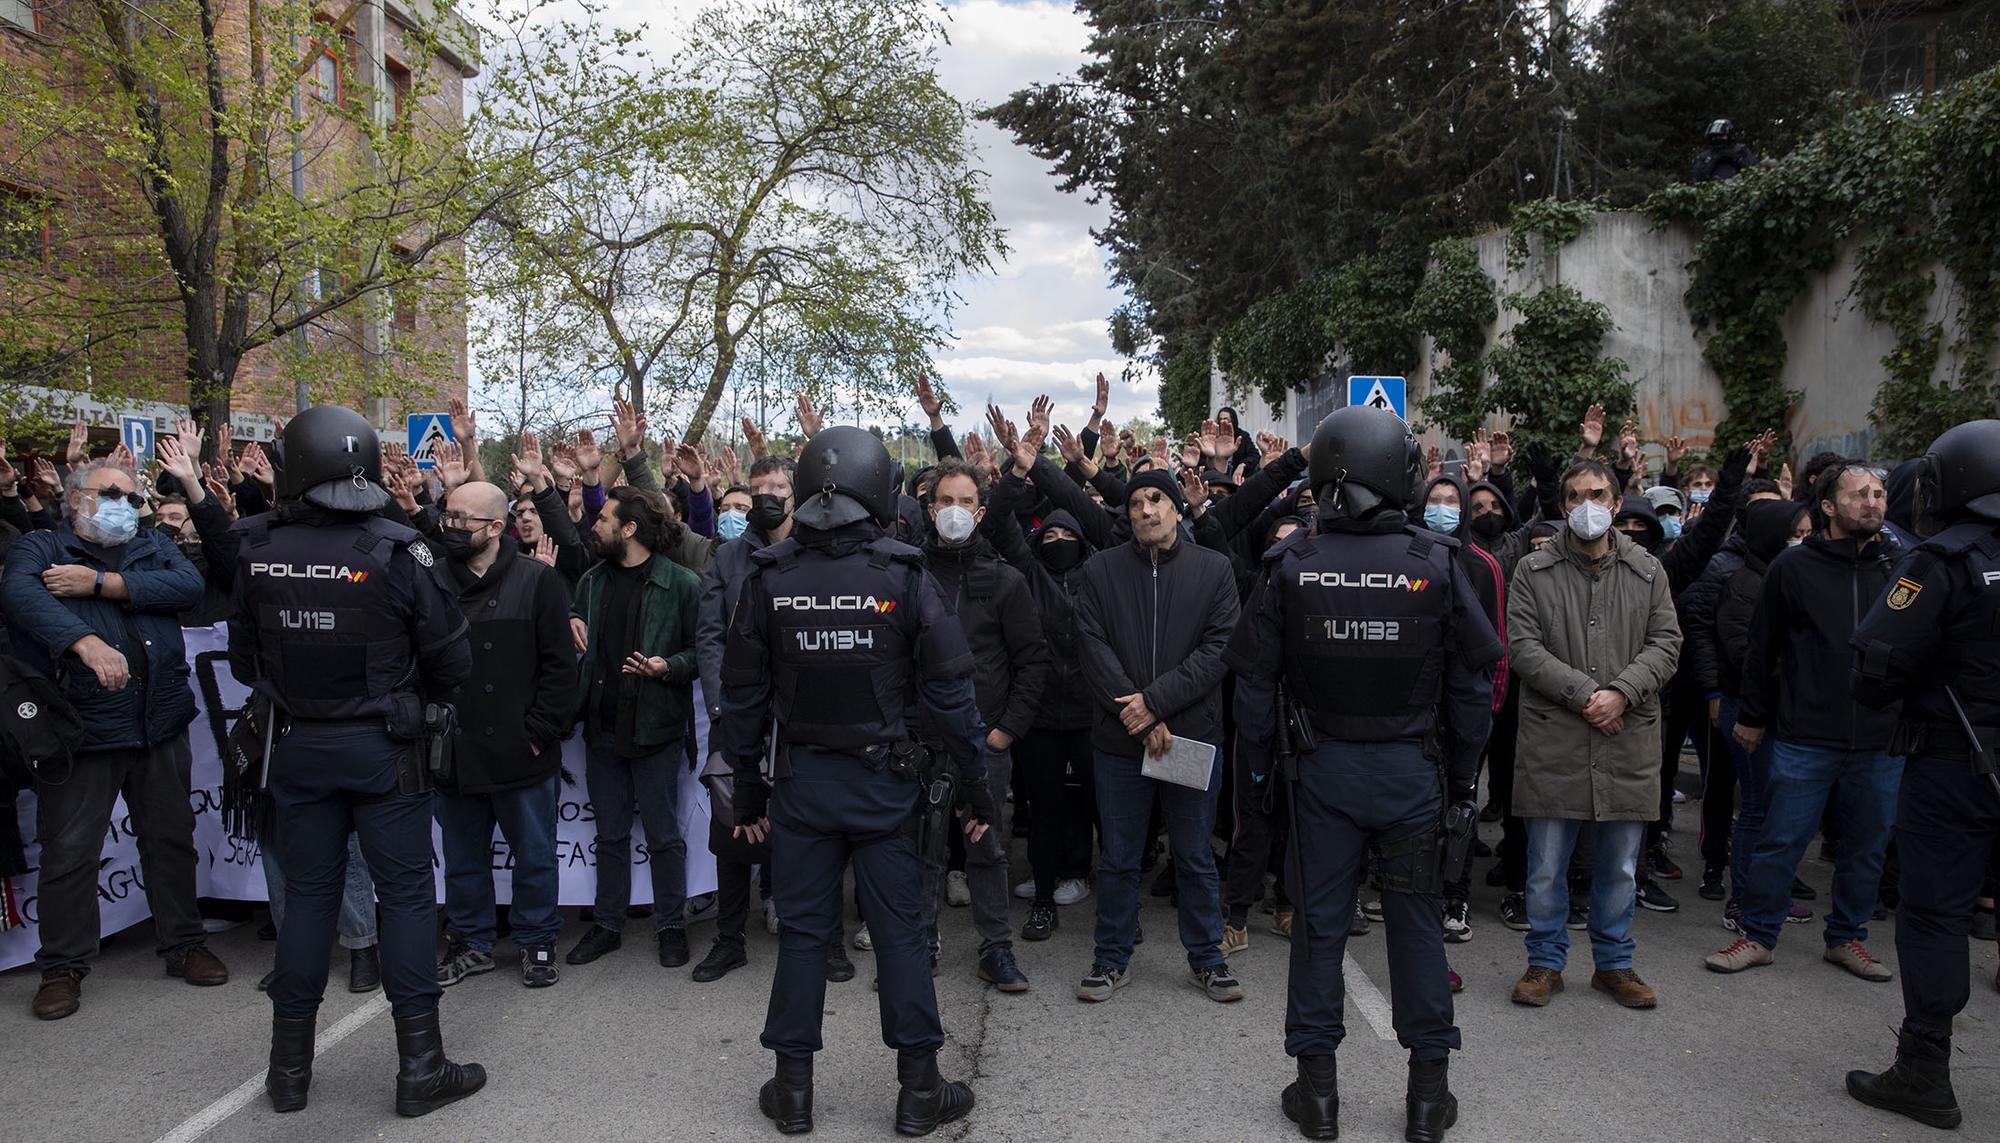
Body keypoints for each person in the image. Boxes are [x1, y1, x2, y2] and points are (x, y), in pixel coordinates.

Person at [1230, 407, 1500, 1142]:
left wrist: (1256, 779)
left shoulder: (1291, 564)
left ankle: (1318, 1096)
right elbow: (1475, 684)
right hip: (1413, 772)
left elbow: (1254, 686)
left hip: (1320, 773)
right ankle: (1426, 1100)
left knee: (1319, 929)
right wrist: (1463, 781)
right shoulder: (1438, 562)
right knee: (1415, 926)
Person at [719, 425, 990, 1137]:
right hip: (885, 788)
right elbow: (955, 695)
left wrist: (747, 787)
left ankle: (794, 1092)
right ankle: (919, 1092)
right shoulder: (902, 574)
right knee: (901, 935)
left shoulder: (769, 577)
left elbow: (742, 697)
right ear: (882, 491)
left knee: (804, 935)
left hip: (804, 787)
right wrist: (979, 785)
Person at [226, 405, 481, 1117]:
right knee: (403, 898)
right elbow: (453, 658)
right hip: (384, 750)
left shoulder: (254, 547)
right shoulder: (399, 550)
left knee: (307, 900)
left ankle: (288, 1074)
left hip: (298, 749)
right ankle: (420, 1068)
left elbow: (246, 658)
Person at [2, 456, 220, 1021]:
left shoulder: (150, 546)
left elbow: (187, 585)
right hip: (84, 729)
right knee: (71, 852)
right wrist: (83, 641)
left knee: (171, 838)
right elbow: (21, 598)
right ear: (76, 499)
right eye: (112, 493)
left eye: (132, 496)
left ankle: (184, 943)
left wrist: (102, 583)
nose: (127, 504)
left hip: (159, 722)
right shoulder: (42, 549)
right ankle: (62, 966)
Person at [1844, 420, 2000, 1131]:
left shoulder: (1942, 559)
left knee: (1935, 911)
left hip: (1958, 762)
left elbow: (1875, 657)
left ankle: (1924, 1069)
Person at [1706, 464, 1902, 981]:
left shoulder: (1900, 569)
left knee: (1867, 844)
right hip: (1805, 735)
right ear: (1829, 507)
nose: (1872, 502)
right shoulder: (1793, 569)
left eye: (1879, 494)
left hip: (1879, 739)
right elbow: (1762, 647)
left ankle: (1847, 938)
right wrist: (1753, 715)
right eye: (1859, 494)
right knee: (1781, 840)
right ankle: (1759, 934)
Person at [1507, 459, 1682, 1011]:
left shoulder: (1649, 571)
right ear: (1563, 506)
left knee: (1621, 867)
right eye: (1578, 495)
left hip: (1625, 736)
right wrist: (1586, 694)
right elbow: (1523, 647)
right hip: (1555, 737)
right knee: (1545, 866)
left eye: (1599, 493)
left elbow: (1666, 643)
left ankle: (1614, 963)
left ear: (1616, 500)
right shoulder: (1533, 571)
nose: (1589, 504)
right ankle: (1545, 962)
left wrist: (1622, 693)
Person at [1072, 465, 1243, 1005]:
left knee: (1193, 855)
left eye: (1156, 500)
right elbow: (1092, 646)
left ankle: (1207, 959)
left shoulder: (1214, 570)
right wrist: (1140, 716)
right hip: (1120, 739)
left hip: (1188, 736)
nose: (1146, 511)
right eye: (1135, 505)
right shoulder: (1099, 571)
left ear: (1174, 507)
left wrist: (1155, 704)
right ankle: (1111, 958)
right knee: (1119, 857)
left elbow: (1218, 650)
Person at [429, 481, 577, 989]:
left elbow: (561, 670)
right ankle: (471, 942)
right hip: (454, 750)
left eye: (461, 520)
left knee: (534, 856)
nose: (449, 527)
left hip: (521, 751)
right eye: (446, 516)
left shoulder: (538, 581)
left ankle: (537, 940)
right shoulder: (430, 580)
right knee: (463, 859)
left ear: (495, 528)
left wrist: (537, 733)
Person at [917, 457, 1048, 992]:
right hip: (922, 743)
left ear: (981, 511)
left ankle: (995, 949)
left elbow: (1033, 662)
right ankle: (919, 947)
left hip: (985, 741)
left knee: (987, 847)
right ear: (929, 509)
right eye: (945, 501)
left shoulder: (1006, 580)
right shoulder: (908, 575)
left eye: (965, 502)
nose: (954, 510)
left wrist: (1004, 732)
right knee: (920, 849)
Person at [564, 485, 703, 970]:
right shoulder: (592, 581)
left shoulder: (683, 583)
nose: (594, 525)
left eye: (603, 519)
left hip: (656, 731)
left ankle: (670, 926)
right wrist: (573, 621)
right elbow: (580, 631)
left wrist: (670, 666)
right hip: (601, 730)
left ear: (629, 529)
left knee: (664, 835)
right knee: (610, 835)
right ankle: (607, 925)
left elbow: (701, 652)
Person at [1691, 118, 1758, 183]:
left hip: (1739, 188)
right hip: (1713, 191)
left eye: (1721, 136)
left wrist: (1737, 159)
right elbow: (1696, 177)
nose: (1717, 139)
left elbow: (1754, 170)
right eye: (1714, 137)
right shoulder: (1705, 156)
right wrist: (1712, 161)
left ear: (1729, 135)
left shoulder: (1741, 150)